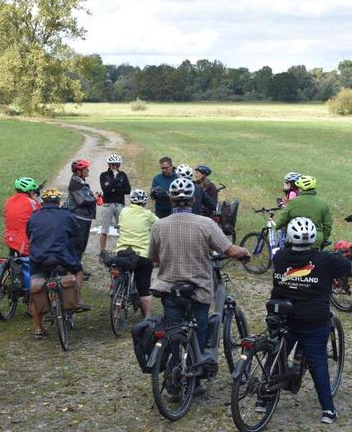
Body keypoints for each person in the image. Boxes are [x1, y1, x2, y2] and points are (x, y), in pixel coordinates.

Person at [149, 178, 250, 362]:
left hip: (169, 288)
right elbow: (230, 250)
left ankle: (173, 370)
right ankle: (196, 368)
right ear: (193, 200)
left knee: (172, 331)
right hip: (197, 289)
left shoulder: (158, 225)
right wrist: (245, 252)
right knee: (198, 332)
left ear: (171, 200)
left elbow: (154, 258)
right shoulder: (205, 224)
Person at [270, 217, 352, 423]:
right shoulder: (324, 259)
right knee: (318, 362)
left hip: (282, 314)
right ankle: (328, 410)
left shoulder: (279, 256)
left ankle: (263, 401)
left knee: (276, 354)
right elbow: (346, 267)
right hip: (313, 318)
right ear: (314, 237)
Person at [27, 188, 89, 337]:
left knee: (36, 291)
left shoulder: (34, 217)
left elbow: (29, 234)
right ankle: (77, 299)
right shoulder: (66, 215)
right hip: (62, 258)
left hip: (39, 259)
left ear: (43, 202)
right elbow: (76, 235)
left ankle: (38, 328)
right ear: (58, 202)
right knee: (78, 270)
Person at [115, 189, 158, 317]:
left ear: (131, 201)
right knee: (144, 289)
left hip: (122, 252)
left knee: (120, 276)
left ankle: (116, 310)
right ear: (144, 202)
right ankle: (147, 318)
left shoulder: (123, 211)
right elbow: (160, 225)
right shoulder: (148, 214)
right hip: (141, 254)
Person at [274, 175, 332, 248]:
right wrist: (323, 239)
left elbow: (283, 219)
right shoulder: (323, 203)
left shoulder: (293, 202)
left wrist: (276, 227)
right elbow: (328, 225)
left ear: (301, 189)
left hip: (296, 238)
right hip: (315, 239)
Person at [98, 154, 131, 257]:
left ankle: (123, 250)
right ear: (109, 165)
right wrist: (115, 180)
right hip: (108, 204)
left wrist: (114, 189)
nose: (115, 167)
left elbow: (127, 190)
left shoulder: (123, 175)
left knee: (122, 228)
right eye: (113, 165)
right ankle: (102, 250)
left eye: (117, 165)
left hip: (120, 204)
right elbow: (106, 190)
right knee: (104, 229)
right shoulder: (104, 175)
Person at [67, 158, 97, 265]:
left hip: (85, 218)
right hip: (78, 218)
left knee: (82, 244)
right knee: (77, 245)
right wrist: (94, 198)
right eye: (85, 168)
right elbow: (81, 200)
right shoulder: (75, 183)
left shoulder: (81, 182)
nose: (88, 170)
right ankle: (74, 269)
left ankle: (77, 267)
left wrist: (94, 196)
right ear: (78, 171)